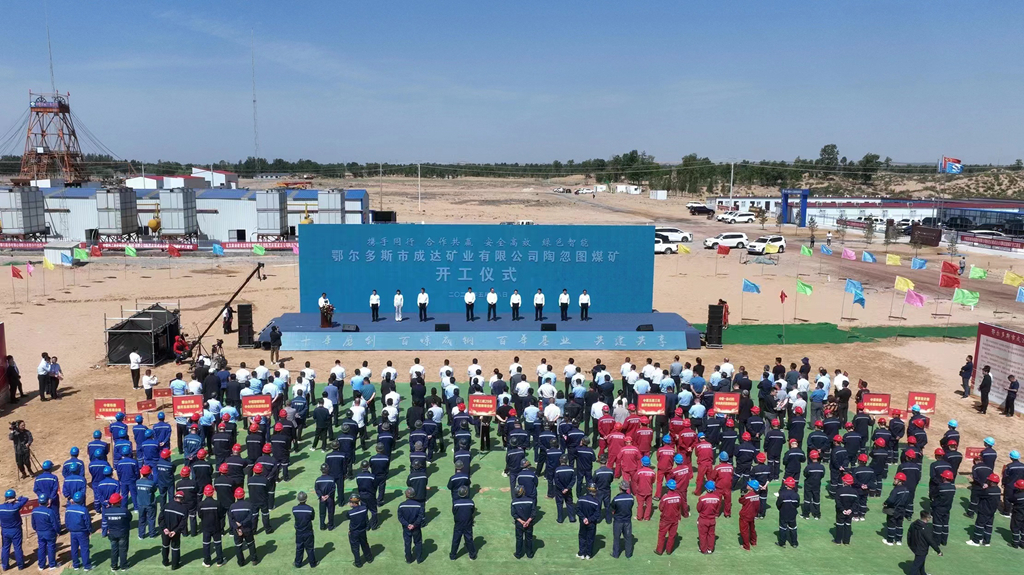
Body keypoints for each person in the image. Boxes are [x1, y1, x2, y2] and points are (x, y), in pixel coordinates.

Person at [229, 487, 259, 566]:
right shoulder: (249, 505)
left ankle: (241, 562)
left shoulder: (232, 506)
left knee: (238, 546)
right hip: (247, 528)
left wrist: (237, 527)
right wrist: (242, 524)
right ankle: (254, 560)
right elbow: (250, 517)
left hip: (237, 530)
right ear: (244, 495)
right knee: (251, 544)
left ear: (235, 496)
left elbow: (231, 519)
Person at [102, 493, 132, 571]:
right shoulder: (124, 511)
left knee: (114, 549)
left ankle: (113, 566)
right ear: (119, 501)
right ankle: (123, 566)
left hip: (112, 533)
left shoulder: (107, 512)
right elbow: (129, 518)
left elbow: (106, 520)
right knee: (123, 549)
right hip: (123, 532)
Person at [0, 490, 28, 570]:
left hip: (5, 530)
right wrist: (17, 499)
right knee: (17, 547)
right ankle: (20, 566)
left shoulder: (1, 508)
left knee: (5, 548)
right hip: (16, 530)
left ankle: (5, 566)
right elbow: (25, 499)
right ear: (13, 498)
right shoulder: (15, 507)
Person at [160, 491, 188, 569]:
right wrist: (175, 531)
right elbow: (183, 523)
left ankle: (165, 562)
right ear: (182, 499)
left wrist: (164, 528)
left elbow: (160, 518)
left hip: (165, 531)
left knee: (165, 546)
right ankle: (175, 565)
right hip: (176, 532)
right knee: (175, 548)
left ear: (175, 497)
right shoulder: (184, 509)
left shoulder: (166, 505)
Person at [908, 511, 942, 575]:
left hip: (915, 546)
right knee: (916, 565)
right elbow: (931, 541)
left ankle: (923, 573)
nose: (931, 517)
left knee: (921, 561)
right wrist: (938, 551)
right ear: (927, 518)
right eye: (930, 517)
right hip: (922, 549)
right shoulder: (926, 529)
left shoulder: (913, 524)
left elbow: (909, 535)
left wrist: (910, 544)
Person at [31, 494, 60, 570]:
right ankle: (52, 565)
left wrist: (37, 530)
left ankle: (41, 566)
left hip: (40, 532)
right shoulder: (50, 511)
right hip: (49, 533)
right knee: (51, 548)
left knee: (41, 548)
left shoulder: (34, 511)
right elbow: (55, 523)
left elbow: (33, 524)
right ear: (47, 502)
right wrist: (58, 531)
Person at [65, 491, 93, 570]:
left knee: (74, 549)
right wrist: (90, 530)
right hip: (82, 532)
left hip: (72, 532)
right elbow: (87, 522)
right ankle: (86, 566)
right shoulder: (84, 510)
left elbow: (66, 521)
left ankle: (75, 565)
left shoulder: (68, 509)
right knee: (84, 549)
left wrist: (69, 528)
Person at [655, 479, 682, 555]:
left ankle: (659, 550)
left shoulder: (665, 497)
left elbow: (661, 508)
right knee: (672, 535)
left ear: (668, 487)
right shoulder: (678, 497)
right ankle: (669, 550)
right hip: (675, 519)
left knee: (662, 535)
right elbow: (679, 507)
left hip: (665, 519)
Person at [398, 488, 425, 563]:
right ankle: (419, 559)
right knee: (418, 542)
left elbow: (400, 517)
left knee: (407, 543)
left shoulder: (401, 506)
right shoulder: (419, 505)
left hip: (406, 528)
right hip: (416, 528)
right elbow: (420, 517)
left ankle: (408, 559)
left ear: (406, 495)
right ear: (414, 495)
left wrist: (407, 525)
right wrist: (414, 525)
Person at [450, 485, 477, 560]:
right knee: (469, 539)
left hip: (458, 524)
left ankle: (453, 556)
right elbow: (472, 511)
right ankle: (472, 555)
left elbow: (454, 512)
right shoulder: (471, 502)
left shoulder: (455, 503)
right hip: (468, 523)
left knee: (456, 540)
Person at [346, 495, 373, 567]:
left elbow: (348, 517)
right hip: (362, 530)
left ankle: (358, 563)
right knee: (365, 544)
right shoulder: (364, 509)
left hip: (354, 532)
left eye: (350, 502)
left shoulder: (350, 512)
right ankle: (369, 558)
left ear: (353, 503)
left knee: (355, 548)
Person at [292, 491, 318, 568]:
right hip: (308, 531)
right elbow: (312, 518)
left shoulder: (294, 509)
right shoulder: (310, 509)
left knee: (299, 548)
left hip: (299, 532)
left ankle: (298, 563)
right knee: (310, 548)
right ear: (306, 499)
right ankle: (312, 563)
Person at [696, 480, 721, 554]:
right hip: (712, 519)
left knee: (703, 535)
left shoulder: (702, 499)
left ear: (706, 489)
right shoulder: (717, 499)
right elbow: (717, 509)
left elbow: (698, 509)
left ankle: (703, 549)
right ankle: (710, 549)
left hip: (703, 519)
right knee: (711, 534)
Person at [511, 486, 536, 559]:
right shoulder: (530, 501)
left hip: (519, 524)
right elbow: (533, 513)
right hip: (529, 523)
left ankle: (518, 554)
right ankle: (529, 554)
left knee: (519, 538)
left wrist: (522, 521)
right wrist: (527, 521)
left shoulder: (514, 502)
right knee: (529, 538)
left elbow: (513, 514)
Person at [576, 483, 600, 559]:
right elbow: (597, 514)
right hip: (592, 523)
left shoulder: (581, 499)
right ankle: (588, 554)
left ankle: (581, 553)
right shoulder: (596, 502)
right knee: (590, 538)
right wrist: (589, 520)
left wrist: (584, 518)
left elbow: (578, 510)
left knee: (582, 537)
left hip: (583, 522)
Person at [738, 480, 759, 550]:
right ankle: (753, 542)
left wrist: (743, 495)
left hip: (745, 515)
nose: (747, 485)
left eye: (749, 485)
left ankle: (746, 546)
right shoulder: (757, 495)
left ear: (751, 488)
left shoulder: (747, 496)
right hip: (752, 515)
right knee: (752, 529)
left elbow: (741, 500)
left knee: (744, 531)